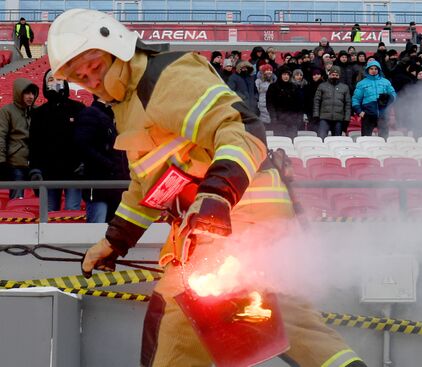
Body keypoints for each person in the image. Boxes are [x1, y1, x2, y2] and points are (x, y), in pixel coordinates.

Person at [47, 8, 367, 367]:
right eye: (79, 75)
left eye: (94, 64)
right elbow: (150, 186)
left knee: (179, 314)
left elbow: (241, 130)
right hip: (219, 220)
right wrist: (115, 241)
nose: (91, 78)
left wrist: (217, 195)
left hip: (236, 212)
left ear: (116, 47)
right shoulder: (128, 105)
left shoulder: (165, 76)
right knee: (287, 320)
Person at [29, 69, 86, 212]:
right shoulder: (39, 113)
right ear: (45, 85)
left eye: (59, 79)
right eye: (50, 80)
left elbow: (86, 140)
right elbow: (34, 144)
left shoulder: (78, 108)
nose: (55, 82)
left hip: (74, 172)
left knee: (72, 211)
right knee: (48, 213)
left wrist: (84, 163)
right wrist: (35, 169)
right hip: (48, 174)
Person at [74, 96, 130, 222]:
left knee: (113, 230)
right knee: (97, 229)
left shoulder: (113, 117)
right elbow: (83, 145)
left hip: (115, 187)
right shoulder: (91, 114)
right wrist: (109, 164)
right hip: (99, 186)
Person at [0, 78, 38, 199]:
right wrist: (1, 161)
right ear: (19, 93)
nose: (30, 97)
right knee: (17, 200)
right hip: (16, 163)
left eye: (33, 93)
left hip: (35, 163)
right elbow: (1, 135)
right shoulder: (7, 111)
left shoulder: (37, 111)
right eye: (27, 93)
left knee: (42, 201)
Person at [352, 60, 396, 138]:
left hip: (383, 114)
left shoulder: (386, 82)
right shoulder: (362, 83)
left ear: (379, 70)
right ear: (367, 70)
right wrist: (359, 111)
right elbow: (356, 99)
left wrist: (389, 98)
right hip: (368, 114)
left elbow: (393, 94)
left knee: (384, 139)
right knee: (366, 138)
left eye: (376, 69)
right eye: (371, 68)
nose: (373, 71)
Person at [313, 66, 351, 139]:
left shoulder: (345, 87)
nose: (335, 76)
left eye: (337, 75)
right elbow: (316, 101)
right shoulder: (322, 86)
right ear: (329, 75)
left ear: (339, 76)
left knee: (336, 140)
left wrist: (347, 118)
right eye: (333, 74)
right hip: (324, 117)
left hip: (338, 118)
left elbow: (348, 104)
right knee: (321, 139)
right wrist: (316, 115)